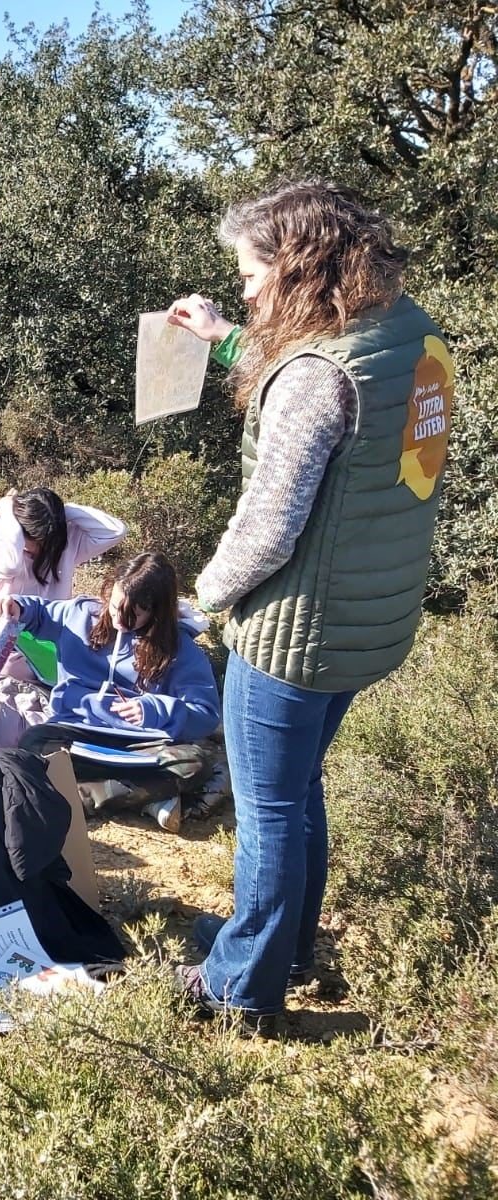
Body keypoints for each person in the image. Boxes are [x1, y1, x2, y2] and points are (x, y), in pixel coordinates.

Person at [166, 180, 455, 1020]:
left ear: (297, 267)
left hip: (296, 632)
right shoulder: (407, 334)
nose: (246, 288)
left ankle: (238, 989)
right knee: (296, 791)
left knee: (267, 810)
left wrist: (206, 597)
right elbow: (331, 403)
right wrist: (224, 341)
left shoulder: (317, 375)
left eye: (252, 273)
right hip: (373, 616)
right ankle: (286, 946)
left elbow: (268, 529)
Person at [0, 553, 222, 827]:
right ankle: (148, 794)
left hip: (140, 744)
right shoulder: (81, 614)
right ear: (110, 592)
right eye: (117, 606)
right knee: (35, 743)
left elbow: (205, 714)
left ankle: (79, 797)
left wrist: (153, 709)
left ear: (157, 611)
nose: (120, 619)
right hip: (78, 733)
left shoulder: (180, 650)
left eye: (134, 615)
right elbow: (38, 612)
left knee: (193, 763)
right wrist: (18, 607)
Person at [0, 487, 127, 668]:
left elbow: (116, 530)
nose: (41, 548)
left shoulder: (62, 542)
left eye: (46, 541)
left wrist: (58, 513)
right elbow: (10, 565)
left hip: (47, 645)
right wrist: (9, 514)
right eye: (34, 540)